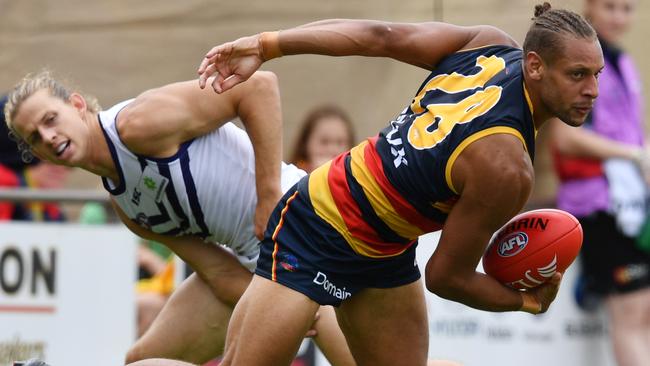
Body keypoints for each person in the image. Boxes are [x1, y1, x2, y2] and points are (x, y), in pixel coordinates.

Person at [195, 3, 606, 365]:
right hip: (317, 225)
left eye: (597, 75)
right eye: (578, 75)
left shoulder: (486, 43)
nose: (592, 90)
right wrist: (527, 302)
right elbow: (446, 277)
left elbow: (381, 36)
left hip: (385, 250)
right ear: (535, 66)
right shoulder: (507, 169)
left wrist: (268, 44)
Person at [3, 70, 356, 366]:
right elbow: (219, 272)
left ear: (77, 105)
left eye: (51, 119)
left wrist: (268, 197)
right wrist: (276, 308)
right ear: (34, 152)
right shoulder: (126, 207)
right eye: (35, 137)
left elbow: (258, 86)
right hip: (264, 266)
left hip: (309, 228)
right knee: (143, 360)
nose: (49, 136)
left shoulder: (137, 124)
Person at [549, 0, 650, 365]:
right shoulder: (576, 59)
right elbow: (563, 137)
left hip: (633, 205)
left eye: (627, 8)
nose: (619, 16)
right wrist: (634, 156)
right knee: (630, 311)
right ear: (590, 6)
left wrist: (642, 154)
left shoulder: (622, 60)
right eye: (610, 6)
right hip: (597, 202)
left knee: (642, 310)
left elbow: (632, 134)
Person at [289, 104, 356, 173]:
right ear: (305, 143)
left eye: (340, 142)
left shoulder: (358, 179)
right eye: (324, 141)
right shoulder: (290, 178)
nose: (332, 150)